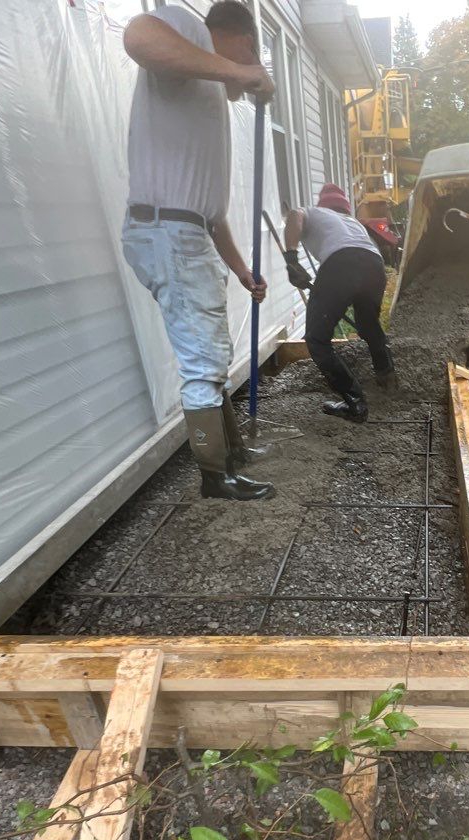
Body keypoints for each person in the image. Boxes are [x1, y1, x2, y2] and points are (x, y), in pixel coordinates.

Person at [122, 1, 275, 501]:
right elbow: (139, 37)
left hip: (183, 230)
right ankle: (215, 475)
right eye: (252, 55)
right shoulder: (189, 31)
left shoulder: (205, 88)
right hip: (169, 232)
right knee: (201, 360)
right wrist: (241, 71)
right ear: (242, 40)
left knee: (210, 355)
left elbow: (210, 215)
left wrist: (244, 270)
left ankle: (230, 453)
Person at [283, 184, 396, 423]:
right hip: (374, 265)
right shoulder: (353, 223)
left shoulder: (314, 212)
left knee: (316, 339)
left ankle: (355, 403)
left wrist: (291, 259)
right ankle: (388, 379)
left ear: (323, 204)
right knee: (368, 325)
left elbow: (294, 215)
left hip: (341, 263)